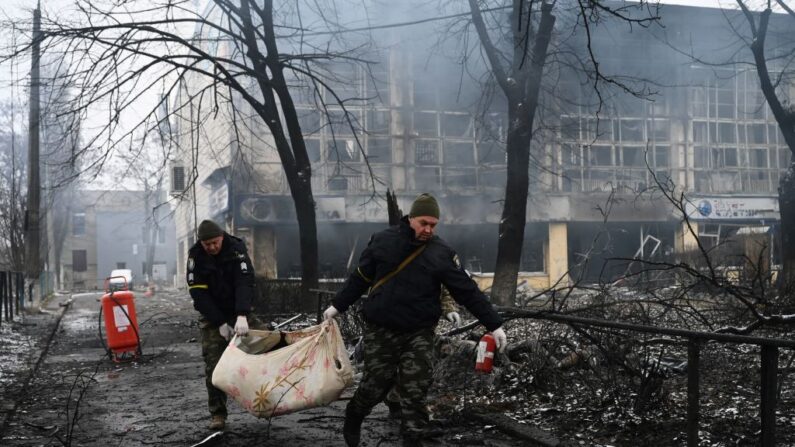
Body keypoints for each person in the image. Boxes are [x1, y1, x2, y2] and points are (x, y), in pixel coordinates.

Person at [323, 193, 507, 447]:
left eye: (433, 224)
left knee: (415, 385)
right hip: (382, 330)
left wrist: (494, 324)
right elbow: (360, 278)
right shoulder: (382, 242)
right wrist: (337, 306)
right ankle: (354, 415)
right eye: (424, 223)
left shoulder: (441, 253)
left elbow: (466, 290)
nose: (428, 229)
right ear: (410, 219)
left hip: (419, 331)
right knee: (375, 386)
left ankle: (414, 434)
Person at [186, 219, 258, 431]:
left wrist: (242, 315)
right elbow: (198, 293)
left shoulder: (236, 248)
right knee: (214, 366)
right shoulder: (195, 255)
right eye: (207, 244)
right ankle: (218, 414)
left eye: (215, 243)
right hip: (213, 315)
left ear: (221, 238)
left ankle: (272, 399)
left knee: (267, 345)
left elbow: (244, 281)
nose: (212, 247)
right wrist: (219, 322)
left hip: (238, 309)